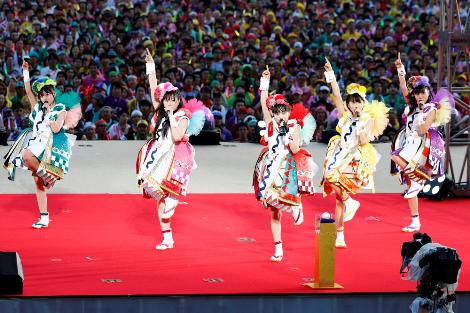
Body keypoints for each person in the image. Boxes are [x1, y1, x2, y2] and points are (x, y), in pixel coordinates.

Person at [136, 49, 205, 251]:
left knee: (167, 195)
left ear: (178, 100)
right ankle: (167, 238)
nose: (170, 102)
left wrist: (171, 116)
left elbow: (176, 137)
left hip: (174, 156)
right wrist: (151, 66)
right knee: (158, 195)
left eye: (173, 99)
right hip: (158, 154)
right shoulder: (160, 112)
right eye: (167, 99)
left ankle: (173, 200)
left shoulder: (182, 115)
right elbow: (152, 87)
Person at [3, 61, 81, 228]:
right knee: (38, 181)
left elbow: (55, 128)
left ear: (53, 93)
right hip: (36, 141)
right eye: (41, 95)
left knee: (27, 159)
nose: (44, 97)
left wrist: (51, 114)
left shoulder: (60, 108)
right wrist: (26, 72)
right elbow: (27, 90)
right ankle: (44, 216)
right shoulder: (37, 108)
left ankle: (47, 180)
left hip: (50, 144)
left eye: (47, 94)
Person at [322, 58, 389, 248]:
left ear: (363, 102)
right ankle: (349, 202)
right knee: (330, 179)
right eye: (352, 101)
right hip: (339, 153)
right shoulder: (344, 115)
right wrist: (330, 74)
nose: (354, 104)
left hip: (354, 158)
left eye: (358, 101)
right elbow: (335, 94)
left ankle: (340, 234)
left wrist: (361, 123)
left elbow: (363, 141)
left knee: (338, 195)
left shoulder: (367, 119)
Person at [253, 66, 317, 262]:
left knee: (289, 188)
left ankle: (297, 204)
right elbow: (264, 103)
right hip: (272, 164)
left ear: (289, 112)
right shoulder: (270, 123)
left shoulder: (293, 125)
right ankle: (278, 247)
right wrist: (265, 81)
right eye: (277, 112)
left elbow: (296, 149)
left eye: (284, 111)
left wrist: (288, 137)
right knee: (273, 208)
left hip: (288, 164)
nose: (281, 115)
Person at [392, 53, 452, 232]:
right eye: (416, 92)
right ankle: (415, 221)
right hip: (410, 143)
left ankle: (420, 176)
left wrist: (421, 122)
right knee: (410, 186)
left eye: (422, 92)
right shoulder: (412, 107)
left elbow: (424, 129)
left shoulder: (432, 107)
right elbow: (403, 88)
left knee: (396, 157)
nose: (419, 95)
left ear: (428, 92)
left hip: (422, 143)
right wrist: (400, 70)